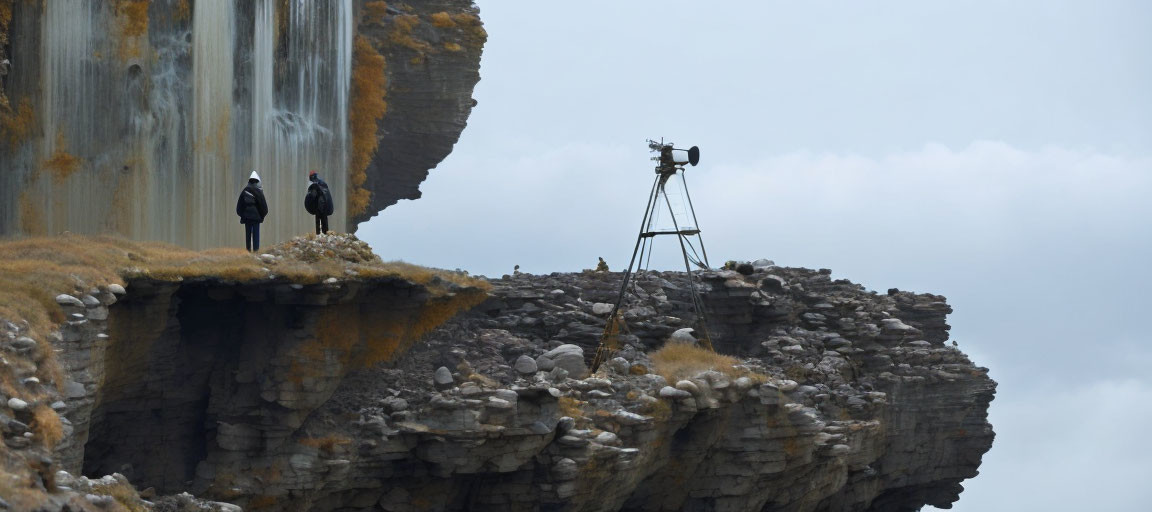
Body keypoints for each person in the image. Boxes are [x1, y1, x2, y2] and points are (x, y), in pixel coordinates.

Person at [236, 171, 268, 252]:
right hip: (256, 218)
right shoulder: (259, 192)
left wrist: (243, 215)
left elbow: (239, 207)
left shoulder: (245, 191)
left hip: (247, 218)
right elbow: (263, 206)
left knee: (248, 235)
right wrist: (262, 216)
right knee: (256, 235)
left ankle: (248, 251)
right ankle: (256, 251)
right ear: (257, 181)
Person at [304, 170, 334, 235]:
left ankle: (320, 235)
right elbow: (327, 195)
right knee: (325, 222)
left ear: (311, 177)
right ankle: (325, 235)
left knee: (319, 222)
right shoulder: (322, 183)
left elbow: (312, 196)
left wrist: (309, 203)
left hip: (319, 206)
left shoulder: (314, 184)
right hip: (325, 205)